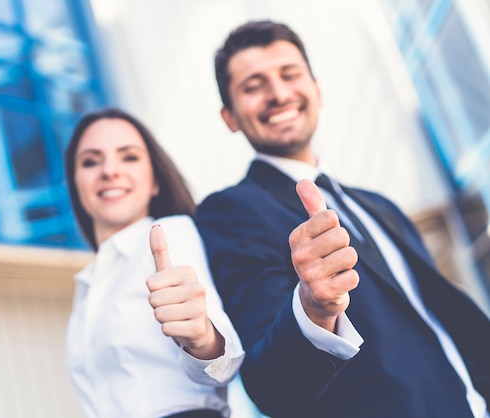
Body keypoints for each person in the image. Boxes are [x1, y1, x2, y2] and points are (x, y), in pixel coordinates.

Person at [193, 20, 490, 418]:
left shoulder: (379, 205)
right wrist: (314, 309)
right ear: (229, 116)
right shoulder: (231, 211)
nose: (278, 94)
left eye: (290, 75)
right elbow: (270, 384)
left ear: (316, 90)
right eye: (253, 86)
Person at [64, 107, 244, 418]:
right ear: (76, 184)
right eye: (91, 161)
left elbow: (223, 363)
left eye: (129, 157)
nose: (109, 170)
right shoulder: (88, 284)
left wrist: (203, 338)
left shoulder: (168, 234)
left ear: (155, 182)